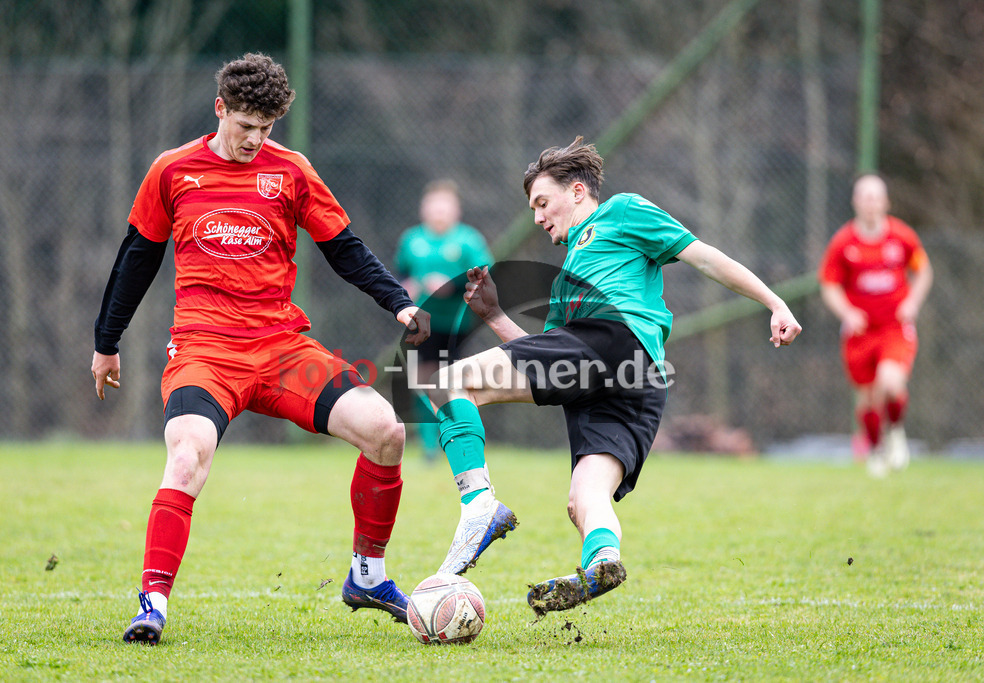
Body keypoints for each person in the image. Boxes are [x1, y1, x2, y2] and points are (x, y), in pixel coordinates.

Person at [90, 53, 429, 644]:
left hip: (280, 347)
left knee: (386, 430)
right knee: (189, 451)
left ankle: (368, 577)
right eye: (246, 126)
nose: (256, 139)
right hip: (203, 349)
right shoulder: (172, 171)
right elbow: (136, 258)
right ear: (220, 110)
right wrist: (106, 342)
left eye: (267, 129)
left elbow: (342, 247)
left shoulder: (291, 171)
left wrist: (397, 300)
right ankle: (153, 603)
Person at [423, 137, 801, 617]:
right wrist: (495, 315)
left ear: (578, 191)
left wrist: (775, 302)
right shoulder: (566, 282)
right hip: (635, 379)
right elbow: (549, 363)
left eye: (543, 202)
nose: (538, 218)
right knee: (584, 498)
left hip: (613, 342)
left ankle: (478, 505)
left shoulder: (620, 212)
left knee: (449, 382)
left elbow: (703, 255)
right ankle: (602, 559)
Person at [819, 174, 932, 477]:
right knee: (868, 396)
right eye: (864, 197)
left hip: (894, 328)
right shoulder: (843, 243)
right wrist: (848, 312)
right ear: (856, 202)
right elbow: (829, 285)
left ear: (885, 202)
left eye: (875, 198)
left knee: (891, 384)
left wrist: (913, 303)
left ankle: (895, 432)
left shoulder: (902, 237)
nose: (870, 204)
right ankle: (876, 450)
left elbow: (923, 271)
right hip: (860, 332)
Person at [395, 180, 493, 461]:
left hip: (458, 325)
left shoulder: (467, 240)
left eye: (444, 206)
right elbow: (401, 272)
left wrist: (454, 284)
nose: (438, 211)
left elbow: (485, 272)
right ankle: (430, 445)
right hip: (422, 322)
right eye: (433, 206)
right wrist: (408, 285)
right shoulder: (412, 239)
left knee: (452, 381)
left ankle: (455, 435)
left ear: (456, 210)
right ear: (423, 209)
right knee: (422, 379)